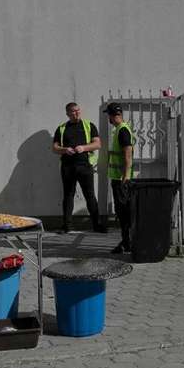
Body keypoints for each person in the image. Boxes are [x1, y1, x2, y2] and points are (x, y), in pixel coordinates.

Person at [52, 102, 105, 234]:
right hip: (68, 167)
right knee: (68, 196)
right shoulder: (62, 128)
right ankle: (67, 226)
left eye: (77, 110)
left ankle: (97, 225)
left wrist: (84, 148)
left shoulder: (88, 125)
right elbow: (54, 148)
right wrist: (65, 150)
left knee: (90, 196)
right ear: (67, 113)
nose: (76, 113)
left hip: (84, 166)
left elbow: (98, 144)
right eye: (73, 111)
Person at [104, 103, 135, 254]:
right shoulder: (119, 129)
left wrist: (126, 176)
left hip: (122, 180)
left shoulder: (122, 130)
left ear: (111, 115)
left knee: (124, 212)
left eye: (108, 115)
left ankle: (127, 243)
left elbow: (127, 154)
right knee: (122, 212)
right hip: (118, 178)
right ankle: (126, 242)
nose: (108, 119)